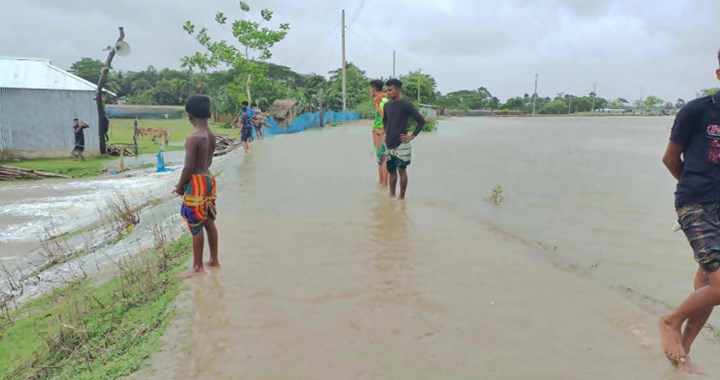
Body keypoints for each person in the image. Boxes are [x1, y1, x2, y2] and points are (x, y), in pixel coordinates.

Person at [658, 49, 720, 374]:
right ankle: (669, 322)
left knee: (708, 287)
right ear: (719, 75)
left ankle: (684, 353)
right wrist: (694, 190)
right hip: (696, 203)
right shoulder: (697, 111)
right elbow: (670, 158)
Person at [175, 95, 219, 279]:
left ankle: (197, 267)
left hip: (197, 182)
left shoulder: (194, 138)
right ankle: (214, 260)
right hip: (209, 179)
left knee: (195, 224)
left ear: (189, 116)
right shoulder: (211, 135)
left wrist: (180, 186)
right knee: (208, 220)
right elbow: (207, 161)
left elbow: (189, 167)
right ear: (208, 113)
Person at [382, 78, 425, 199]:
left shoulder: (406, 105)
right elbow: (385, 120)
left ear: (397, 89)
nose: (388, 92)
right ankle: (391, 196)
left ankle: (401, 198)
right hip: (389, 143)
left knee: (401, 170)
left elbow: (421, 121)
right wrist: (385, 132)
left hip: (402, 143)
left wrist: (412, 136)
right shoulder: (387, 105)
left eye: (390, 90)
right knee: (391, 171)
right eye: (387, 90)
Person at [370, 79, 389, 187]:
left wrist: (383, 130)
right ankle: (381, 184)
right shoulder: (382, 100)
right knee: (380, 159)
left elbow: (386, 117)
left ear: (373, 89)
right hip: (379, 132)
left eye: (370, 89)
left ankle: (384, 184)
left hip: (380, 133)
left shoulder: (382, 101)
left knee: (383, 159)